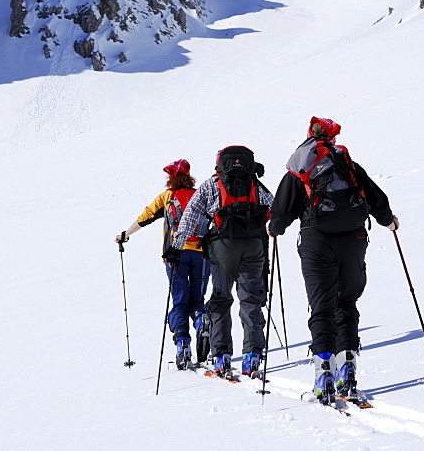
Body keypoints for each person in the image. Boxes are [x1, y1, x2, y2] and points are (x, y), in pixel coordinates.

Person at [268, 117, 399, 404]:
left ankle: (323, 373)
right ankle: (348, 369)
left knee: (321, 306)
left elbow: (282, 209)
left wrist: (275, 229)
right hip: (353, 238)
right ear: (332, 138)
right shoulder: (346, 161)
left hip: (317, 241)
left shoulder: (301, 163)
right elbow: (374, 196)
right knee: (346, 303)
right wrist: (388, 221)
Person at [167, 146, 273, 379]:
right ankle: (252, 354)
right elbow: (273, 207)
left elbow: (190, 215)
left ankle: (221, 354)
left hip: (222, 246)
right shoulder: (254, 183)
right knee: (251, 300)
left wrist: (177, 247)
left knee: (221, 298)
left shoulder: (211, 184)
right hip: (254, 245)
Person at [115, 159, 211, 369]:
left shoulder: (167, 197)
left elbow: (146, 216)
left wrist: (125, 235)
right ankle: (201, 320)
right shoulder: (200, 196)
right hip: (202, 256)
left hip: (175, 256)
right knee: (197, 299)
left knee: (179, 302)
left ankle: (182, 345)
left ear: (172, 178)